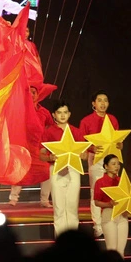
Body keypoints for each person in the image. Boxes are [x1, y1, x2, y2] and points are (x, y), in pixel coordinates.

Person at [39, 101, 86, 236]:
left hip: (73, 170)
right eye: (59, 113)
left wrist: (83, 155)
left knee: (72, 207)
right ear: (54, 115)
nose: (63, 115)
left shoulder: (76, 132)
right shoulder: (48, 132)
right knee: (59, 208)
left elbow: (85, 153)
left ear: (69, 114)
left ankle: (73, 241)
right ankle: (61, 244)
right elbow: (41, 154)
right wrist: (49, 158)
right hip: (56, 170)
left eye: (65, 112)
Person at [79, 90, 121, 238]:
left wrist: (119, 145)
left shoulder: (113, 119)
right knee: (96, 191)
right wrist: (92, 148)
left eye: (105, 100)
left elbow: (117, 139)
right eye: (100, 100)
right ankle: (98, 225)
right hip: (96, 158)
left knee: (114, 189)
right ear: (93, 103)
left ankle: (113, 219)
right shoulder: (86, 121)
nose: (103, 103)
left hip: (112, 158)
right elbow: (81, 143)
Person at [9, 86, 54, 207]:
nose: (32, 95)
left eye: (34, 92)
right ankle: (13, 198)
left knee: (46, 171)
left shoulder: (44, 111)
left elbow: (51, 126)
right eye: (29, 92)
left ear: (38, 95)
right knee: (20, 170)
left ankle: (44, 200)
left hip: (39, 148)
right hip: (24, 146)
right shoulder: (21, 109)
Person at [93, 154, 128, 256]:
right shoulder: (100, 182)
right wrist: (109, 204)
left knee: (121, 251)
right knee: (112, 251)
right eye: (113, 164)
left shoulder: (122, 180)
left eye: (118, 164)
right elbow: (96, 202)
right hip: (109, 216)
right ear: (106, 166)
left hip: (122, 216)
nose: (117, 166)